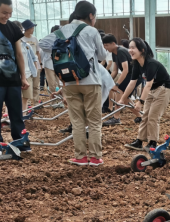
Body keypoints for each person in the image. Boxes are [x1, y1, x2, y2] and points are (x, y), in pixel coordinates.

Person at [39, 1, 107, 166]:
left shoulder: (62, 30)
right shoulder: (91, 31)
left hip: (69, 81)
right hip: (90, 80)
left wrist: (61, 53)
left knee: (77, 120)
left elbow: (43, 43)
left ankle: (80, 156)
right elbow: (102, 55)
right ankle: (96, 157)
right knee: (94, 120)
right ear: (90, 15)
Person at [0, 0, 29, 155]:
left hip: (13, 80)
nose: (7, 16)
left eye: (10, 13)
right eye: (4, 13)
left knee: (16, 112)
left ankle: (20, 140)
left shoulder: (12, 27)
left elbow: (19, 53)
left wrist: (23, 77)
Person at [119, 37, 170, 151]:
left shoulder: (151, 64)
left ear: (142, 50)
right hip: (151, 90)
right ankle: (139, 141)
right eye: (129, 48)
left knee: (153, 117)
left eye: (133, 48)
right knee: (145, 116)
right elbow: (132, 83)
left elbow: (148, 84)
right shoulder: (137, 64)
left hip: (163, 89)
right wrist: (122, 99)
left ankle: (152, 143)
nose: (130, 50)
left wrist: (140, 102)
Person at [102, 33, 140, 126]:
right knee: (125, 97)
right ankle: (140, 116)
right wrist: (108, 81)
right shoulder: (115, 53)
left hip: (134, 75)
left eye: (107, 45)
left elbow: (125, 69)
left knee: (119, 91)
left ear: (113, 43)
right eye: (104, 46)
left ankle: (116, 118)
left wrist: (117, 84)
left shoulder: (121, 51)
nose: (105, 48)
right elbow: (115, 71)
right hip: (130, 75)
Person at [14, 21, 37, 113]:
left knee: (26, 96)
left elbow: (33, 58)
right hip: (15, 75)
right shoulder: (8, 45)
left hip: (27, 73)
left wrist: (34, 70)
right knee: (15, 97)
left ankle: (23, 114)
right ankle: (10, 115)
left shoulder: (26, 45)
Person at [21, 19, 41, 103]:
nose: (33, 30)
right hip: (26, 65)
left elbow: (37, 52)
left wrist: (39, 64)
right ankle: (28, 103)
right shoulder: (21, 39)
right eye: (31, 28)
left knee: (36, 85)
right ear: (26, 29)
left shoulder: (34, 39)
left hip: (35, 64)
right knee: (28, 84)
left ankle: (36, 102)